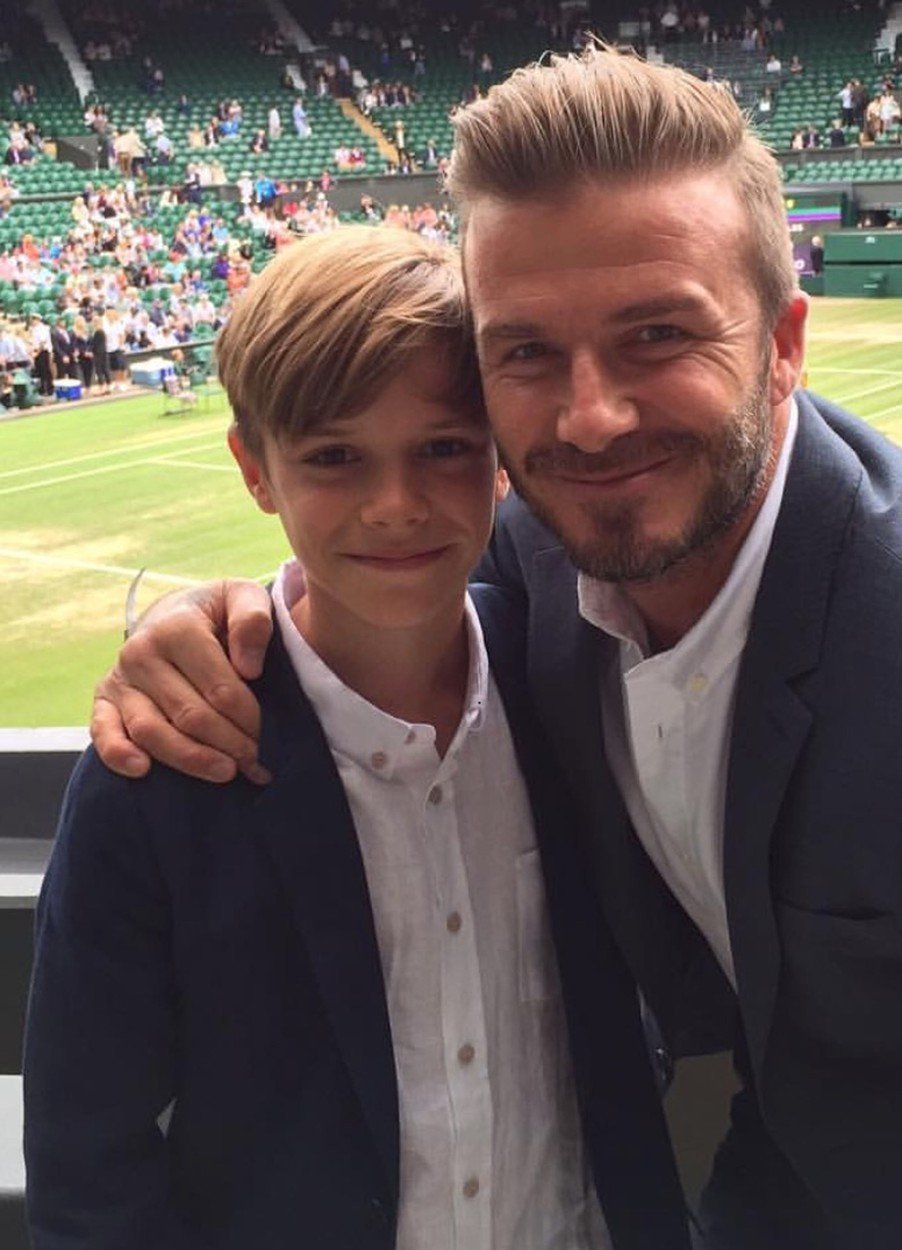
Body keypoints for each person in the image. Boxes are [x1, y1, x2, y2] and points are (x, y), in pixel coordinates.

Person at [91, 44, 902, 1248]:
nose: (587, 417)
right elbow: (380, 575)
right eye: (523, 352)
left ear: (783, 343)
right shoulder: (531, 563)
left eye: (656, 334)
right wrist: (194, 631)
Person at [27, 226, 688, 1250]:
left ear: (499, 458)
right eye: (335, 456)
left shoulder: (576, 674)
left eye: (441, 448)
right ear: (256, 469)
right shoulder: (158, 772)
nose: (395, 505)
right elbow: (87, 1157)